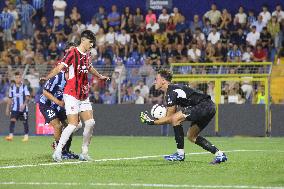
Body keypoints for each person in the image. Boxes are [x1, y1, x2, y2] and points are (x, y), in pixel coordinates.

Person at [42, 30, 109, 162]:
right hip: (71, 94)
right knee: (73, 124)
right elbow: (59, 67)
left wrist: (100, 76)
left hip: (83, 94)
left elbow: (89, 67)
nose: (92, 45)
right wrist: (47, 77)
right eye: (91, 42)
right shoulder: (72, 52)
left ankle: (84, 152)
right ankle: (58, 151)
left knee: (90, 123)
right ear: (83, 40)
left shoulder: (87, 55)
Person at [140, 70, 227, 164]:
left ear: (163, 80)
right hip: (209, 107)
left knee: (175, 119)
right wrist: (158, 119)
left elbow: (171, 118)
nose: (154, 81)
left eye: (156, 79)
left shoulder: (171, 91)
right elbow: (170, 117)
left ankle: (180, 154)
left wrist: (151, 122)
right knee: (191, 136)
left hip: (203, 105)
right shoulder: (172, 91)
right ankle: (220, 154)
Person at [39, 42, 79, 159]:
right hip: (47, 104)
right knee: (57, 126)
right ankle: (58, 149)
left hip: (59, 105)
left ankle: (65, 151)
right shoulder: (58, 76)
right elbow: (45, 92)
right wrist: (58, 102)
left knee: (72, 125)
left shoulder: (74, 77)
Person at [5, 72, 30, 142]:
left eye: (19, 77)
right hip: (14, 108)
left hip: (24, 108)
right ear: (14, 78)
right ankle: (10, 135)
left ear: (21, 78)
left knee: (25, 122)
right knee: (12, 120)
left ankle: (26, 136)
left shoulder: (24, 87)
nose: (17, 79)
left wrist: (24, 104)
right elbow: (10, 98)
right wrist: (7, 108)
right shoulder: (12, 88)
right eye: (16, 78)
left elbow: (28, 97)